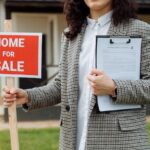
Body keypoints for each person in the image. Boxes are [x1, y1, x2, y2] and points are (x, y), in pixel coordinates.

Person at [3, 0, 150, 149]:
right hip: (74, 140)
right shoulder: (71, 34)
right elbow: (61, 85)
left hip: (122, 143)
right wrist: (28, 96)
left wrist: (114, 87)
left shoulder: (141, 31)